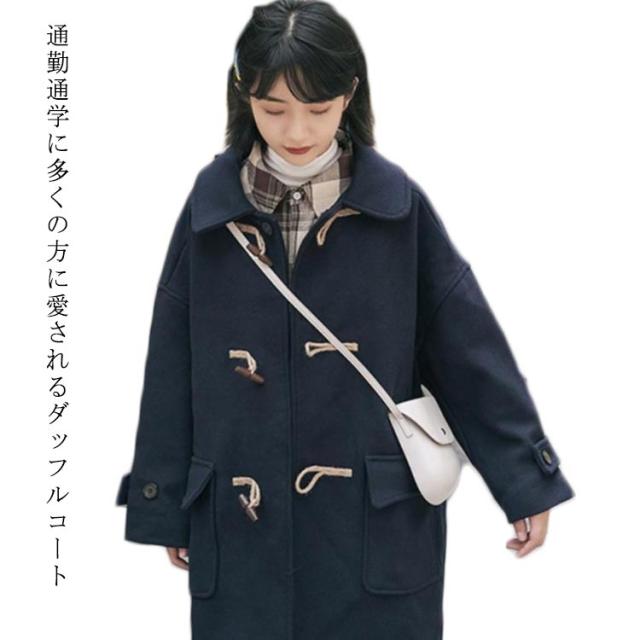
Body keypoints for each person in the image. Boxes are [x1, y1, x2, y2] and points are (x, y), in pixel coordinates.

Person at [116, 1, 576, 638]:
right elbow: (172, 361)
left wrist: (525, 478)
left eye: (318, 107)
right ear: (244, 97)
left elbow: (468, 351)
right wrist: (166, 500)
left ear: (349, 94)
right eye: (273, 108)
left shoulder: (396, 209)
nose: (296, 129)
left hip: (372, 531)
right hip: (243, 525)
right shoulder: (212, 210)